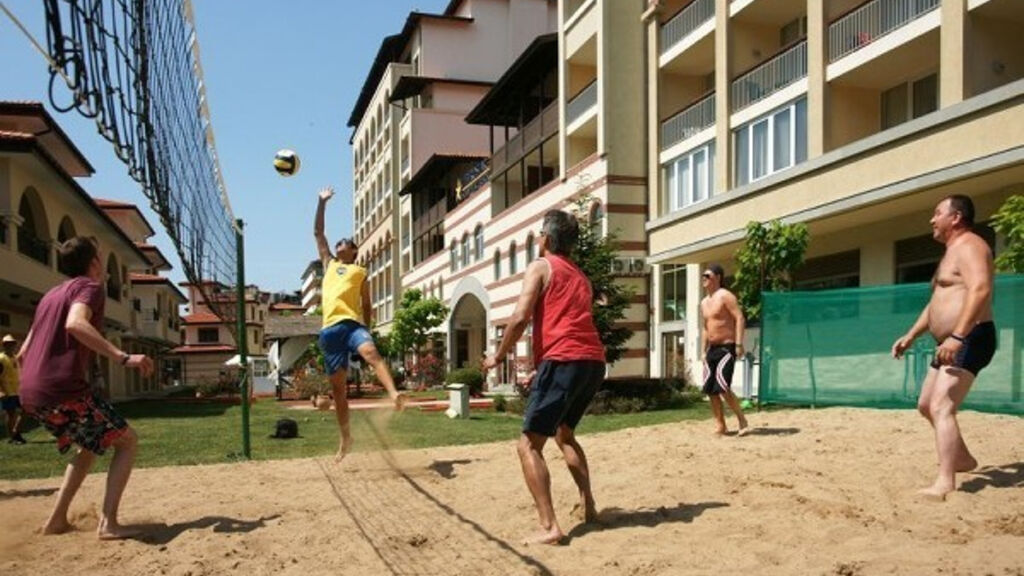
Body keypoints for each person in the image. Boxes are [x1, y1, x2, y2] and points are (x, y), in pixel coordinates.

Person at [483, 210, 606, 545]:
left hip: (565, 358)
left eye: (539, 235)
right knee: (565, 435)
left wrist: (497, 355)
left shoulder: (541, 265)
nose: (538, 240)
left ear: (548, 240)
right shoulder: (581, 277)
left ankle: (550, 526)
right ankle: (588, 505)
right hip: (593, 362)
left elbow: (521, 316)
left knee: (527, 446)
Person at [18, 237, 154, 538]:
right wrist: (123, 356)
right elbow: (75, 324)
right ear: (93, 262)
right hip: (61, 388)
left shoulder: (51, 295)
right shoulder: (90, 288)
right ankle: (109, 524)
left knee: (90, 445)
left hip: (31, 392)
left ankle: (55, 521)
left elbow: (23, 352)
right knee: (127, 441)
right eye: (101, 256)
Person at [892, 195, 996, 501]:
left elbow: (981, 289)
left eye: (937, 213)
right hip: (950, 341)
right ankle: (962, 459)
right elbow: (936, 303)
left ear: (956, 217)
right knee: (926, 405)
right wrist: (911, 335)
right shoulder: (950, 253)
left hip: (971, 336)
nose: (931, 219)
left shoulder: (971, 246)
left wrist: (958, 336)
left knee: (941, 406)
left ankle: (945, 481)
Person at [313, 186, 403, 462]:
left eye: (346, 242)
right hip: (330, 331)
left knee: (371, 353)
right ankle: (345, 438)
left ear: (353, 251)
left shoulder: (360, 271)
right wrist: (322, 202)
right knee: (339, 391)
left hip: (353, 326)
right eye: (338, 242)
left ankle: (394, 393)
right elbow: (318, 232)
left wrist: (368, 327)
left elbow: (367, 304)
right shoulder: (328, 263)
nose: (340, 243)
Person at [699, 264, 749, 436]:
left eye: (707, 275)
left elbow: (739, 318)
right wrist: (703, 350)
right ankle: (721, 425)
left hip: (727, 348)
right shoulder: (704, 302)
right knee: (710, 389)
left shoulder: (725, 296)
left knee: (722, 386)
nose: (704, 278)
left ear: (718, 277)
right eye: (703, 276)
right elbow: (706, 327)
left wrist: (738, 344)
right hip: (712, 349)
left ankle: (742, 419)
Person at [0, 334, 26, 444]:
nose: (11, 346)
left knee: (26, 410)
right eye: (8, 344)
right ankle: (13, 437)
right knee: (11, 415)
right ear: (4, 345)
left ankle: (16, 432)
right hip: (6, 391)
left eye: (12, 344)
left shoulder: (15, 357)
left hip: (17, 390)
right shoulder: (1, 358)